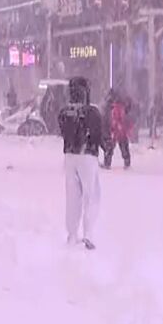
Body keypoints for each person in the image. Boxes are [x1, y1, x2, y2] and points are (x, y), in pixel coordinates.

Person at [59, 77, 103, 249]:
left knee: (72, 197)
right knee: (91, 195)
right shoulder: (93, 112)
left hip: (70, 157)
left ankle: (71, 234)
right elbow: (99, 134)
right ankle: (89, 233)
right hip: (88, 156)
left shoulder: (64, 112)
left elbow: (63, 132)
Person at [102, 89, 132, 170]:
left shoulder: (116, 107)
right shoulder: (119, 106)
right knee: (121, 146)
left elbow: (116, 119)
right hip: (118, 130)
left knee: (111, 146)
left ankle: (107, 163)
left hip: (116, 130)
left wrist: (116, 126)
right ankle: (126, 161)